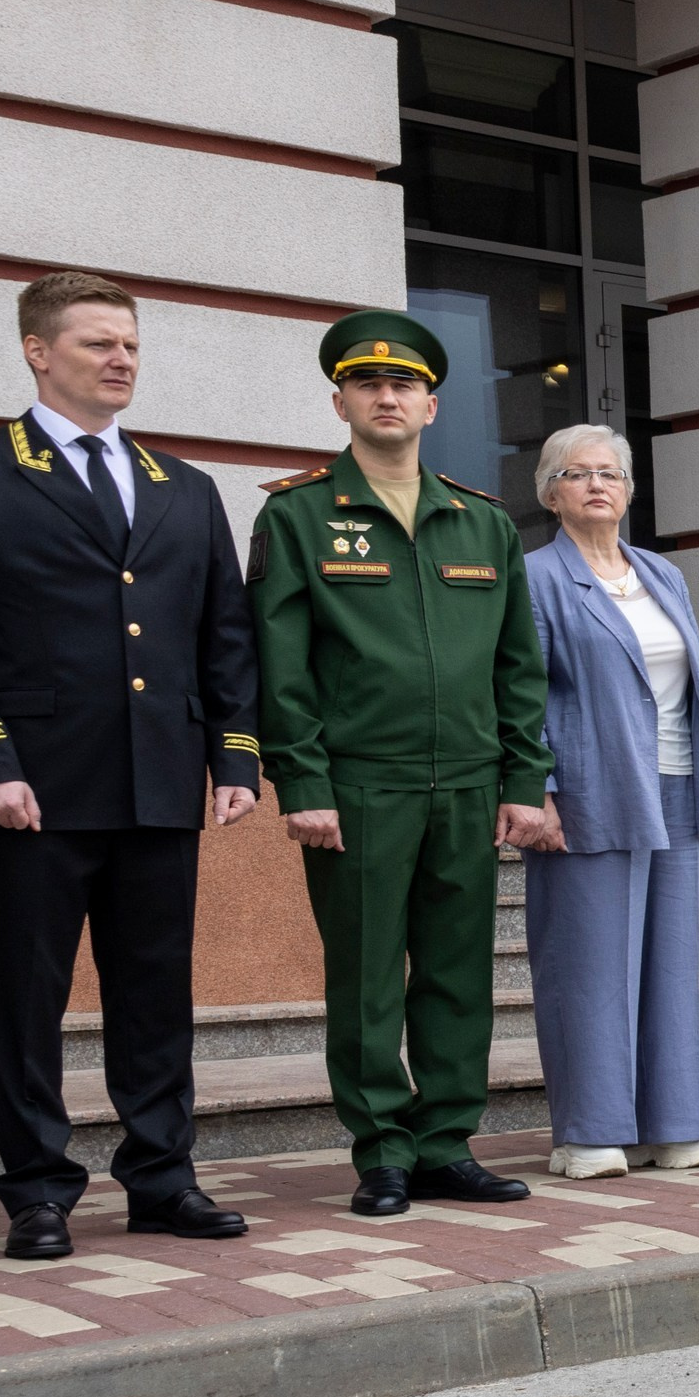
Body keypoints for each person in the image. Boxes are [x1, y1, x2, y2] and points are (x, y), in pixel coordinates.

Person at [0, 271, 259, 1261]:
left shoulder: (185, 486)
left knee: (155, 992)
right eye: (98, 342)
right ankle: (38, 1190)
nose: (121, 359)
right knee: (29, 997)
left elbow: (224, 634)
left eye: (129, 343)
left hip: (161, 778)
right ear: (37, 351)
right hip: (34, 786)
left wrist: (234, 754)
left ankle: (162, 1178)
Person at [254, 312, 551, 1216]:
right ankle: (382, 1148)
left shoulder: (483, 522)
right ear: (340, 401)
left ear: (432, 405)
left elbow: (518, 665)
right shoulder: (298, 514)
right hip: (359, 785)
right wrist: (302, 783)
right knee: (367, 976)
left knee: (460, 974)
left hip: (467, 783)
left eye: (405, 385)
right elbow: (280, 665)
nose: (388, 397)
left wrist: (523, 780)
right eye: (368, 384)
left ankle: (445, 1143)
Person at [520, 425, 699, 1179]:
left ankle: (672, 1122)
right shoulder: (536, 576)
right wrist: (537, 790)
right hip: (589, 787)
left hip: (675, 783)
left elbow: (692, 680)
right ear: (551, 494)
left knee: (669, 965)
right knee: (589, 964)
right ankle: (590, 1130)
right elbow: (520, 692)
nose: (596, 485)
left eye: (610, 473)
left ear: (630, 490)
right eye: (577, 474)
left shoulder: (661, 572)